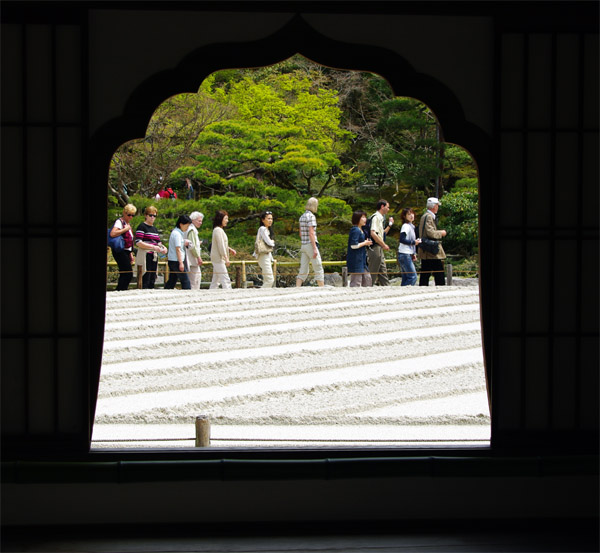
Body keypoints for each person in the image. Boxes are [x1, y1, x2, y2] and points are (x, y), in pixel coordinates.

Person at [135, 206, 167, 289]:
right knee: (145, 277)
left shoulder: (154, 229)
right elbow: (138, 242)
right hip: (145, 255)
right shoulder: (142, 226)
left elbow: (158, 242)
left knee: (152, 277)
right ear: (146, 215)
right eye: (150, 215)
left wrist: (163, 248)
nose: (152, 217)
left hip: (154, 255)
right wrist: (153, 247)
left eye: (154, 216)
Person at [418, 197, 447, 286]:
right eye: (437, 205)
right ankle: (441, 287)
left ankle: (423, 287)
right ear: (434, 206)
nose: (438, 207)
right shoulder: (429, 217)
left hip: (426, 249)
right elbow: (430, 232)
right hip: (431, 250)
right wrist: (441, 233)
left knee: (425, 271)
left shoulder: (425, 216)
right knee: (438, 271)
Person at [296, 197, 325, 287]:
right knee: (318, 267)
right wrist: (314, 248)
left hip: (303, 245)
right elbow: (311, 233)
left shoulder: (302, 216)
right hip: (310, 244)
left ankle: (297, 287)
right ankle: (322, 287)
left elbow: (300, 233)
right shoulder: (311, 217)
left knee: (303, 269)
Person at [110, 204, 137, 291]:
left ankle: (121, 289)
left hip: (126, 251)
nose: (131, 217)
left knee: (124, 272)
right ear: (124, 213)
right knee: (128, 273)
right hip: (120, 250)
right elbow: (112, 233)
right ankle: (121, 289)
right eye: (129, 215)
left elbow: (129, 240)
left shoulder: (127, 223)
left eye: (132, 215)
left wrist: (130, 254)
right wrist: (125, 229)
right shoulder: (119, 222)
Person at [367, 199, 394, 286]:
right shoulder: (376, 217)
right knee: (373, 270)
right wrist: (383, 244)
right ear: (382, 206)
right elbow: (373, 233)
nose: (388, 209)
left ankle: (386, 287)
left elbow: (382, 234)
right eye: (387, 207)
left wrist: (390, 225)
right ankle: (368, 287)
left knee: (383, 271)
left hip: (379, 247)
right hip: (375, 247)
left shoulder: (380, 218)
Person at [209, 210, 237, 289]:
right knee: (225, 279)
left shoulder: (219, 230)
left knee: (215, 281)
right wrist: (226, 258)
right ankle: (228, 292)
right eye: (225, 219)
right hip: (218, 258)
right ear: (220, 219)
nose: (227, 221)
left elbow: (222, 244)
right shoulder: (218, 230)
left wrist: (229, 249)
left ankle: (211, 292)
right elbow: (220, 245)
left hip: (217, 258)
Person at [164, 215, 192, 289]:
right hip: (176, 260)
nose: (187, 228)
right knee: (185, 281)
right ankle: (187, 293)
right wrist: (181, 263)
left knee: (172, 280)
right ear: (181, 224)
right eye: (187, 226)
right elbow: (178, 249)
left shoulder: (176, 232)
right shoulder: (177, 234)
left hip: (172, 260)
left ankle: (165, 291)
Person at [346, 210, 373, 287]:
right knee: (356, 282)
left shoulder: (361, 230)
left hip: (362, 260)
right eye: (363, 217)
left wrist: (365, 242)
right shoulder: (355, 230)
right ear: (357, 218)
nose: (365, 219)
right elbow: (353, 245)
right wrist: (365, 243)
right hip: (356, 260)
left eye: (365, 217)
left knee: (367, 279)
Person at [397, 207, 421, 286]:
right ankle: (406, 291)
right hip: (405, 253)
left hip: (406, 253)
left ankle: (402, 291)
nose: (411, 216)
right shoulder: (406, 226)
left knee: (406, 277)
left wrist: (413, 253)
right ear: (404, 216)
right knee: (412, 277)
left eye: (412, 213)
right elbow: (402, 239)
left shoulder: (411, 226)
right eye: (409, 214)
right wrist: (413, 242)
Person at [254, 211, 276, 288]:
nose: (270, 220)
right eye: (268, 218)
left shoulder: (266, 229)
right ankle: (260, 293)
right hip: (263, 256)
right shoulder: (262, 229)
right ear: (263, 220)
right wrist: (273, 242)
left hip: (266, 256)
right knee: (270, 280)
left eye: (271, 219)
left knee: (267, 280)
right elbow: (269, 242)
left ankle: (264, 293)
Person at [186, 211, 204, 290]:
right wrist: (198, 257)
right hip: (193, 260)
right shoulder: (192, 230)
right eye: (199, 221)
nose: (200, 223)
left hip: (191, 259)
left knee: (194, 279)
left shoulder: (189, 229)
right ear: (193, 220)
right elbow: (192, 246)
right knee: (195, 280)